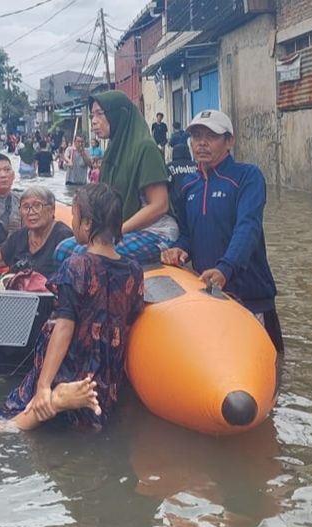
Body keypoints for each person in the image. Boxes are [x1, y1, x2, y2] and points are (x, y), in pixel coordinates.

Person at [0, 183, 144, 431]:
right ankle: (59, 401)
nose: (72, 222)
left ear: (87, 224)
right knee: (82, 430)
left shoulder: (77, 265)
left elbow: (64, 327)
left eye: (74, 217)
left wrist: (43, 386)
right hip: (104, 376)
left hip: (69, 366)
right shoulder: (134, 270)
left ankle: (56, 400)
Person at [161, 110, 283, 353]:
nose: (202, 143)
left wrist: (225, 268)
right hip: (211, 299)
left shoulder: (248, 177)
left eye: (211, 136)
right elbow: (187, 234)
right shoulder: (188, 186)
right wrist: (178, 250)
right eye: (196, 136)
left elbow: (248, 227)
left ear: (230, 141)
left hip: (250, 298)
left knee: (270, 372)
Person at [54, 91, 179, 266]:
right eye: (92, 116)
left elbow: (159, 205)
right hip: (118, 229)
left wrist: (116, 231)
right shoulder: (114, 149)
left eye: (100, 114)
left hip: (154, 232)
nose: (94, 121)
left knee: (85, 255)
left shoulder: (145, 148)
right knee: (62, 250)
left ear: (119, 115)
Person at [0, 186, 73, 280]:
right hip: (13, 291)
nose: (31, 212)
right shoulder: (20, 236)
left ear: (51, 210)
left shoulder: (63, 237)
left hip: (45, 292)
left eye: (37, 206)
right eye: (25, 207)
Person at [166, 143, 197, 221]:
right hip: (196, 203)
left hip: (177, 207)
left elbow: (166, 187)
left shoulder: (170, 167)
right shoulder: (196, 165)